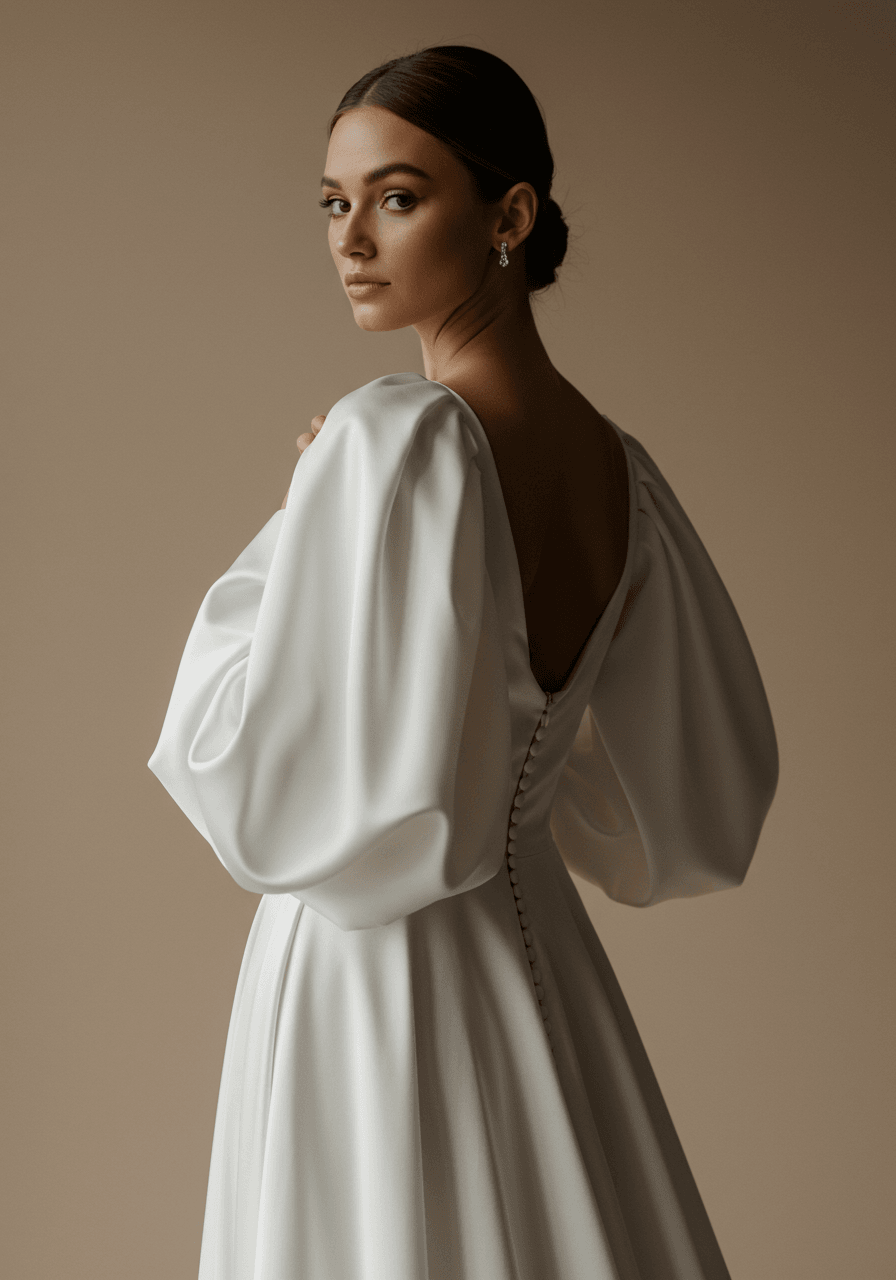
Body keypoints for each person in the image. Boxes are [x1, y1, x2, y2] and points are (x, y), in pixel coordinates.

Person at [148, 45, 778, 1280]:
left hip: (362, 967)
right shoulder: (616, 464)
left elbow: (251, 774)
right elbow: (670, 809)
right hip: (530, 940)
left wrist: (304, 513)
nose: (350, 239)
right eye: (334, 203)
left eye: (396, 196)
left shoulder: (391, 434)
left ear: (508, 215)